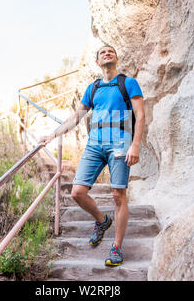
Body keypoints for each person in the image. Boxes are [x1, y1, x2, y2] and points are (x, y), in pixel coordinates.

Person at [40, 44, 145, 266]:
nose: (107, 53)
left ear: (116, 58)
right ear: (97, 62)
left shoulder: (128, 83)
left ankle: (116, 248)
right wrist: (52, 135)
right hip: (95, 145)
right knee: (77, 192)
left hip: (120, 143)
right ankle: (102, 220)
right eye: (103, 53)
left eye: (111, 51)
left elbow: (141, 115)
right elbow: (75, 117)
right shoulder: (93, 88)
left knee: (118, 195)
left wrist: (135, 145)